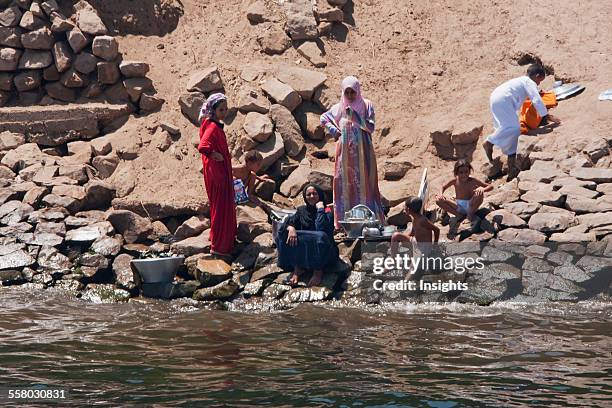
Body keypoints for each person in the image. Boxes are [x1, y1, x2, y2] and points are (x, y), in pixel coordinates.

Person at [320, 76, 385, 229]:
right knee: (345, 182)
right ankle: (345, 223)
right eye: (347, 92)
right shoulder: (340, 107)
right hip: (345, 153)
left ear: (358, 91)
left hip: (363, 151)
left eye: (352, 92)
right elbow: (324, 118)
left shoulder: (366, 105)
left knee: (365, 182)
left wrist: (355, 117)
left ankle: (370, 218)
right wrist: (334, 131)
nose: (350, 96)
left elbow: (370, 127)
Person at [482, 64, 561, 180]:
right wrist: (547, 116)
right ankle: (489, 142)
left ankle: (511, 167)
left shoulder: (521, 81)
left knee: (511, 131)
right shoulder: (529, 82)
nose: (539, 84)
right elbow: (536, 99)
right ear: (537, 76)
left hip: (496, 98)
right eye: (540, 80)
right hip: (502, 100)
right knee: (514, 127)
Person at [197, 93, 236, 257]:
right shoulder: (212, 126)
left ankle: (221, 240)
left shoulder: (210, 123)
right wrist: (214, 155)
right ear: (213, 110)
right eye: (221, 109)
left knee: (220, 206)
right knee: (221, 207)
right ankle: (220, 246)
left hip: (216, 172)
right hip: (217, 173)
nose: (224, 112)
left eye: (226, 109)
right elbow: (203, 146)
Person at [276, 184, 338, 287]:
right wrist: (291, 228)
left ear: (320, 195)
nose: (312, 196)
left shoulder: (326, 211)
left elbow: (321, 228)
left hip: (325, 253)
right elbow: (286, 223)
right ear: (305, 197)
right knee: (282, 235)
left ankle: (318, 271)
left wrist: (320, 210)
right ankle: (298, 268)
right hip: (306, 252)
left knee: (320, 237)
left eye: (314, 193)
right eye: (308, 194)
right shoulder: (301, 211)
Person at [435, 159, 493, 224]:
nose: (464, 174)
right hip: (458, 206)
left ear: (469, 171)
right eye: (461, 172)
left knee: (479, 193)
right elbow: (443, 187)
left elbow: (490, 186)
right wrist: (440, 194)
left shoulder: (473, 181)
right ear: (456, 173)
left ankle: (469, 216)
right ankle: (458, 215)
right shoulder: (455, 180)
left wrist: (483, 189)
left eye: (466, 172)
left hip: (472, 205)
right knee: (438, 200)